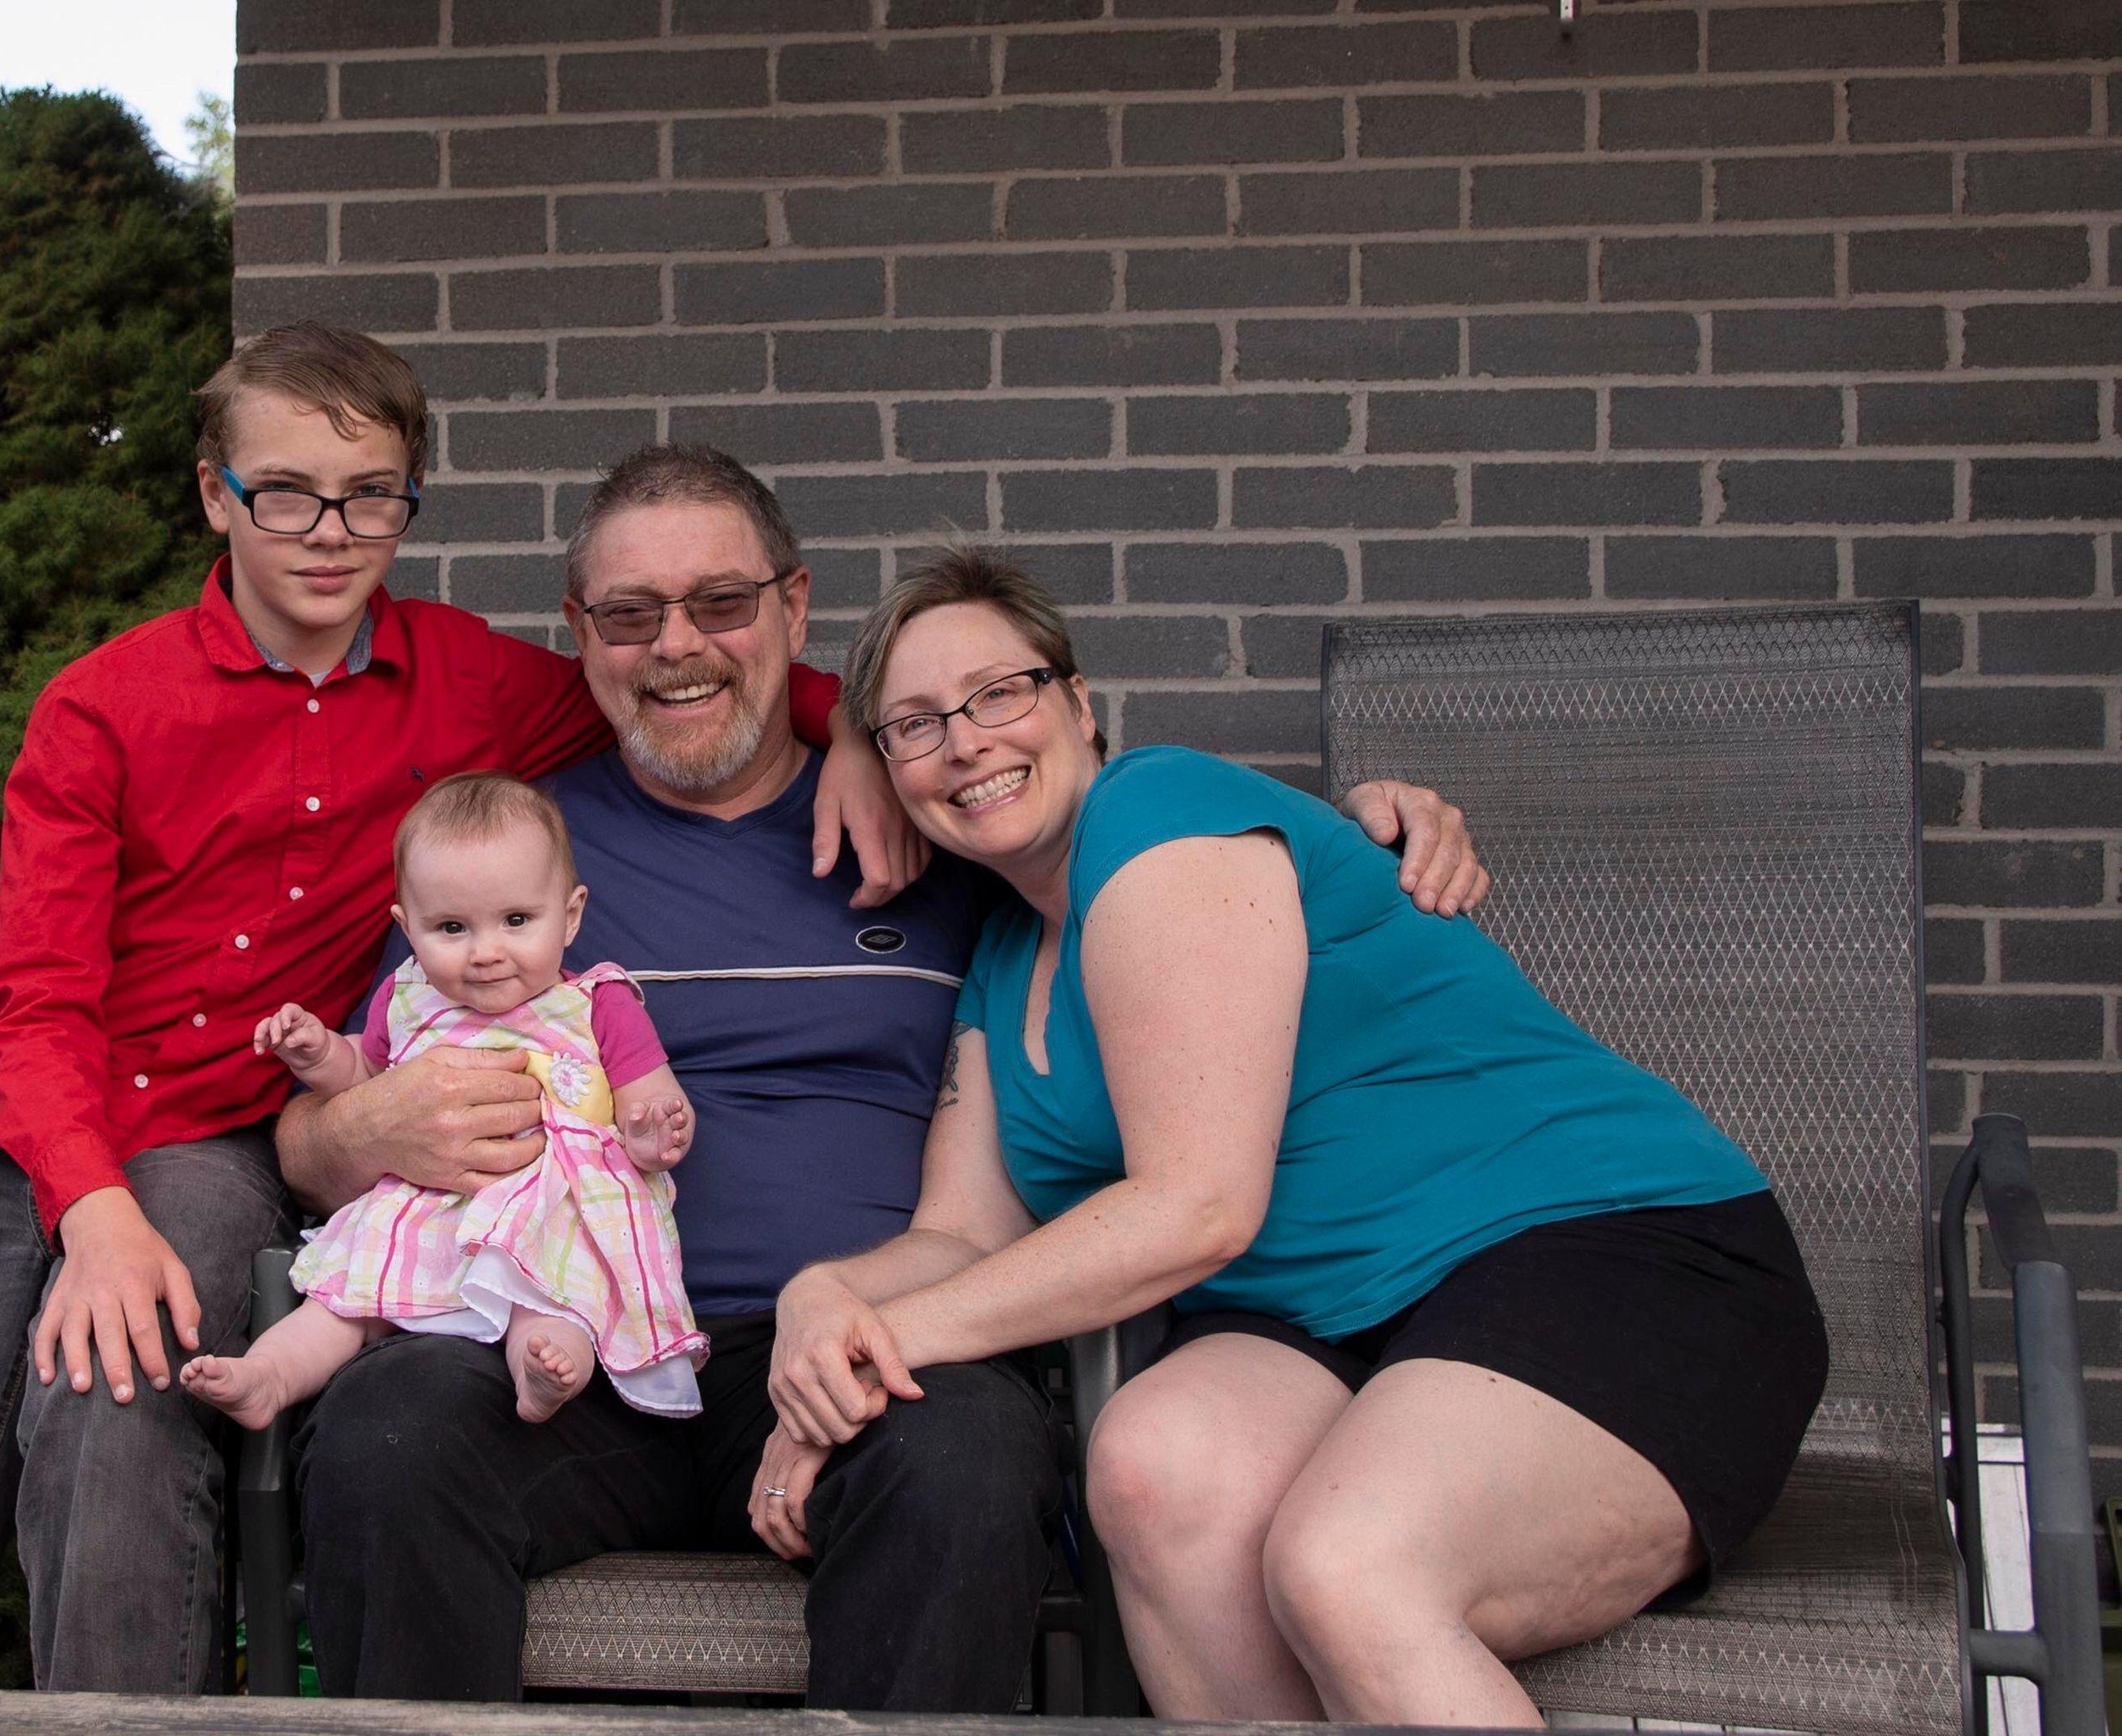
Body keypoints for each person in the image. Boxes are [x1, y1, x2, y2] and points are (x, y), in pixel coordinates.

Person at [0, 327, 905, 1694]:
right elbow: (36, 1002)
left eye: (368, 495)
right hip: (20, 1123)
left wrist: (852, 731)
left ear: (406, 502)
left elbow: (677, 681)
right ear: (213, 496)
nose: (327, 531)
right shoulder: (102, 705)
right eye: (284, 492)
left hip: (216, 1139)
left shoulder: (470, 683)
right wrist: (90, 1211)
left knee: (114, 1403)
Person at [276, 444, 1490, 1710]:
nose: (675, 645)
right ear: (580, 634)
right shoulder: (503, 850)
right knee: (387, 1432)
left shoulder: (938, 825)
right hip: (553, 1339)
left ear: (793, 610)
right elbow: (318, 1127)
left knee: (960, 1452)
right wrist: (352, 1123)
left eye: (721, 604)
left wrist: (1362, 824)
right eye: (631, 614)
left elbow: (1139, 859)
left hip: (867, 1349)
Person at [794, 548, 1830, 1728]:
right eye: (914, 725)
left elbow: (1194, 1207)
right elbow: (960, 1235)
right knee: (1153, 1469)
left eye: (997, 693)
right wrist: (819, 1311)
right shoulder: (996, 959)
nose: (965, 741)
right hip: (1332, 1324)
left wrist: (880, 1346)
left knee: (1350, 1564)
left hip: (1607, 1251)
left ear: (1078, 706)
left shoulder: (1157, 812)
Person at [181, 771, 703, 1431]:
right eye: (451, 927)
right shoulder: (407, 999)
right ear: (407, 927)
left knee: (550, 1302)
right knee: (344, 1303)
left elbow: (647, 1097)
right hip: (427, 1201)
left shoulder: (597, 1001)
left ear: (569, 915)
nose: (485, 953)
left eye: (516, 921)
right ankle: (268, 1376)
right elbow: (366, 1075)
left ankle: (541, 1374)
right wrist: (319, 1056)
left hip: (552, 1199)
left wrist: (654, 1134)